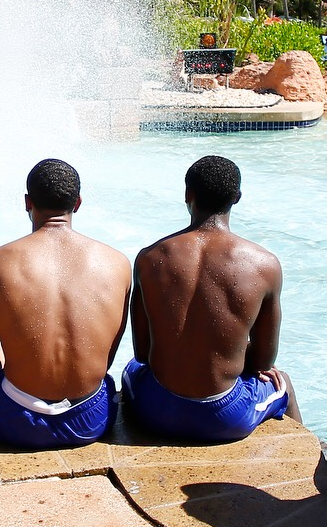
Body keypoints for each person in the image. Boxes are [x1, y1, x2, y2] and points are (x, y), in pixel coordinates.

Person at [0, 160, 130, 448]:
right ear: (78, 203)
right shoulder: (117, 263)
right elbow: (105, 360)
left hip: (17, 421)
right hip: (91, 420)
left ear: (27, 203)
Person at [126, 155, 298, 442]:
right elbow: (264, 361)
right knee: (284, 383)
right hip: (226, 417)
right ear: (237, 198)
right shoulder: (264, 264)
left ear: (187, 195)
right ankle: (307, 462)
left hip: (155, 411)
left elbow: (142, 354)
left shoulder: (150, 258)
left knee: (132, 371)